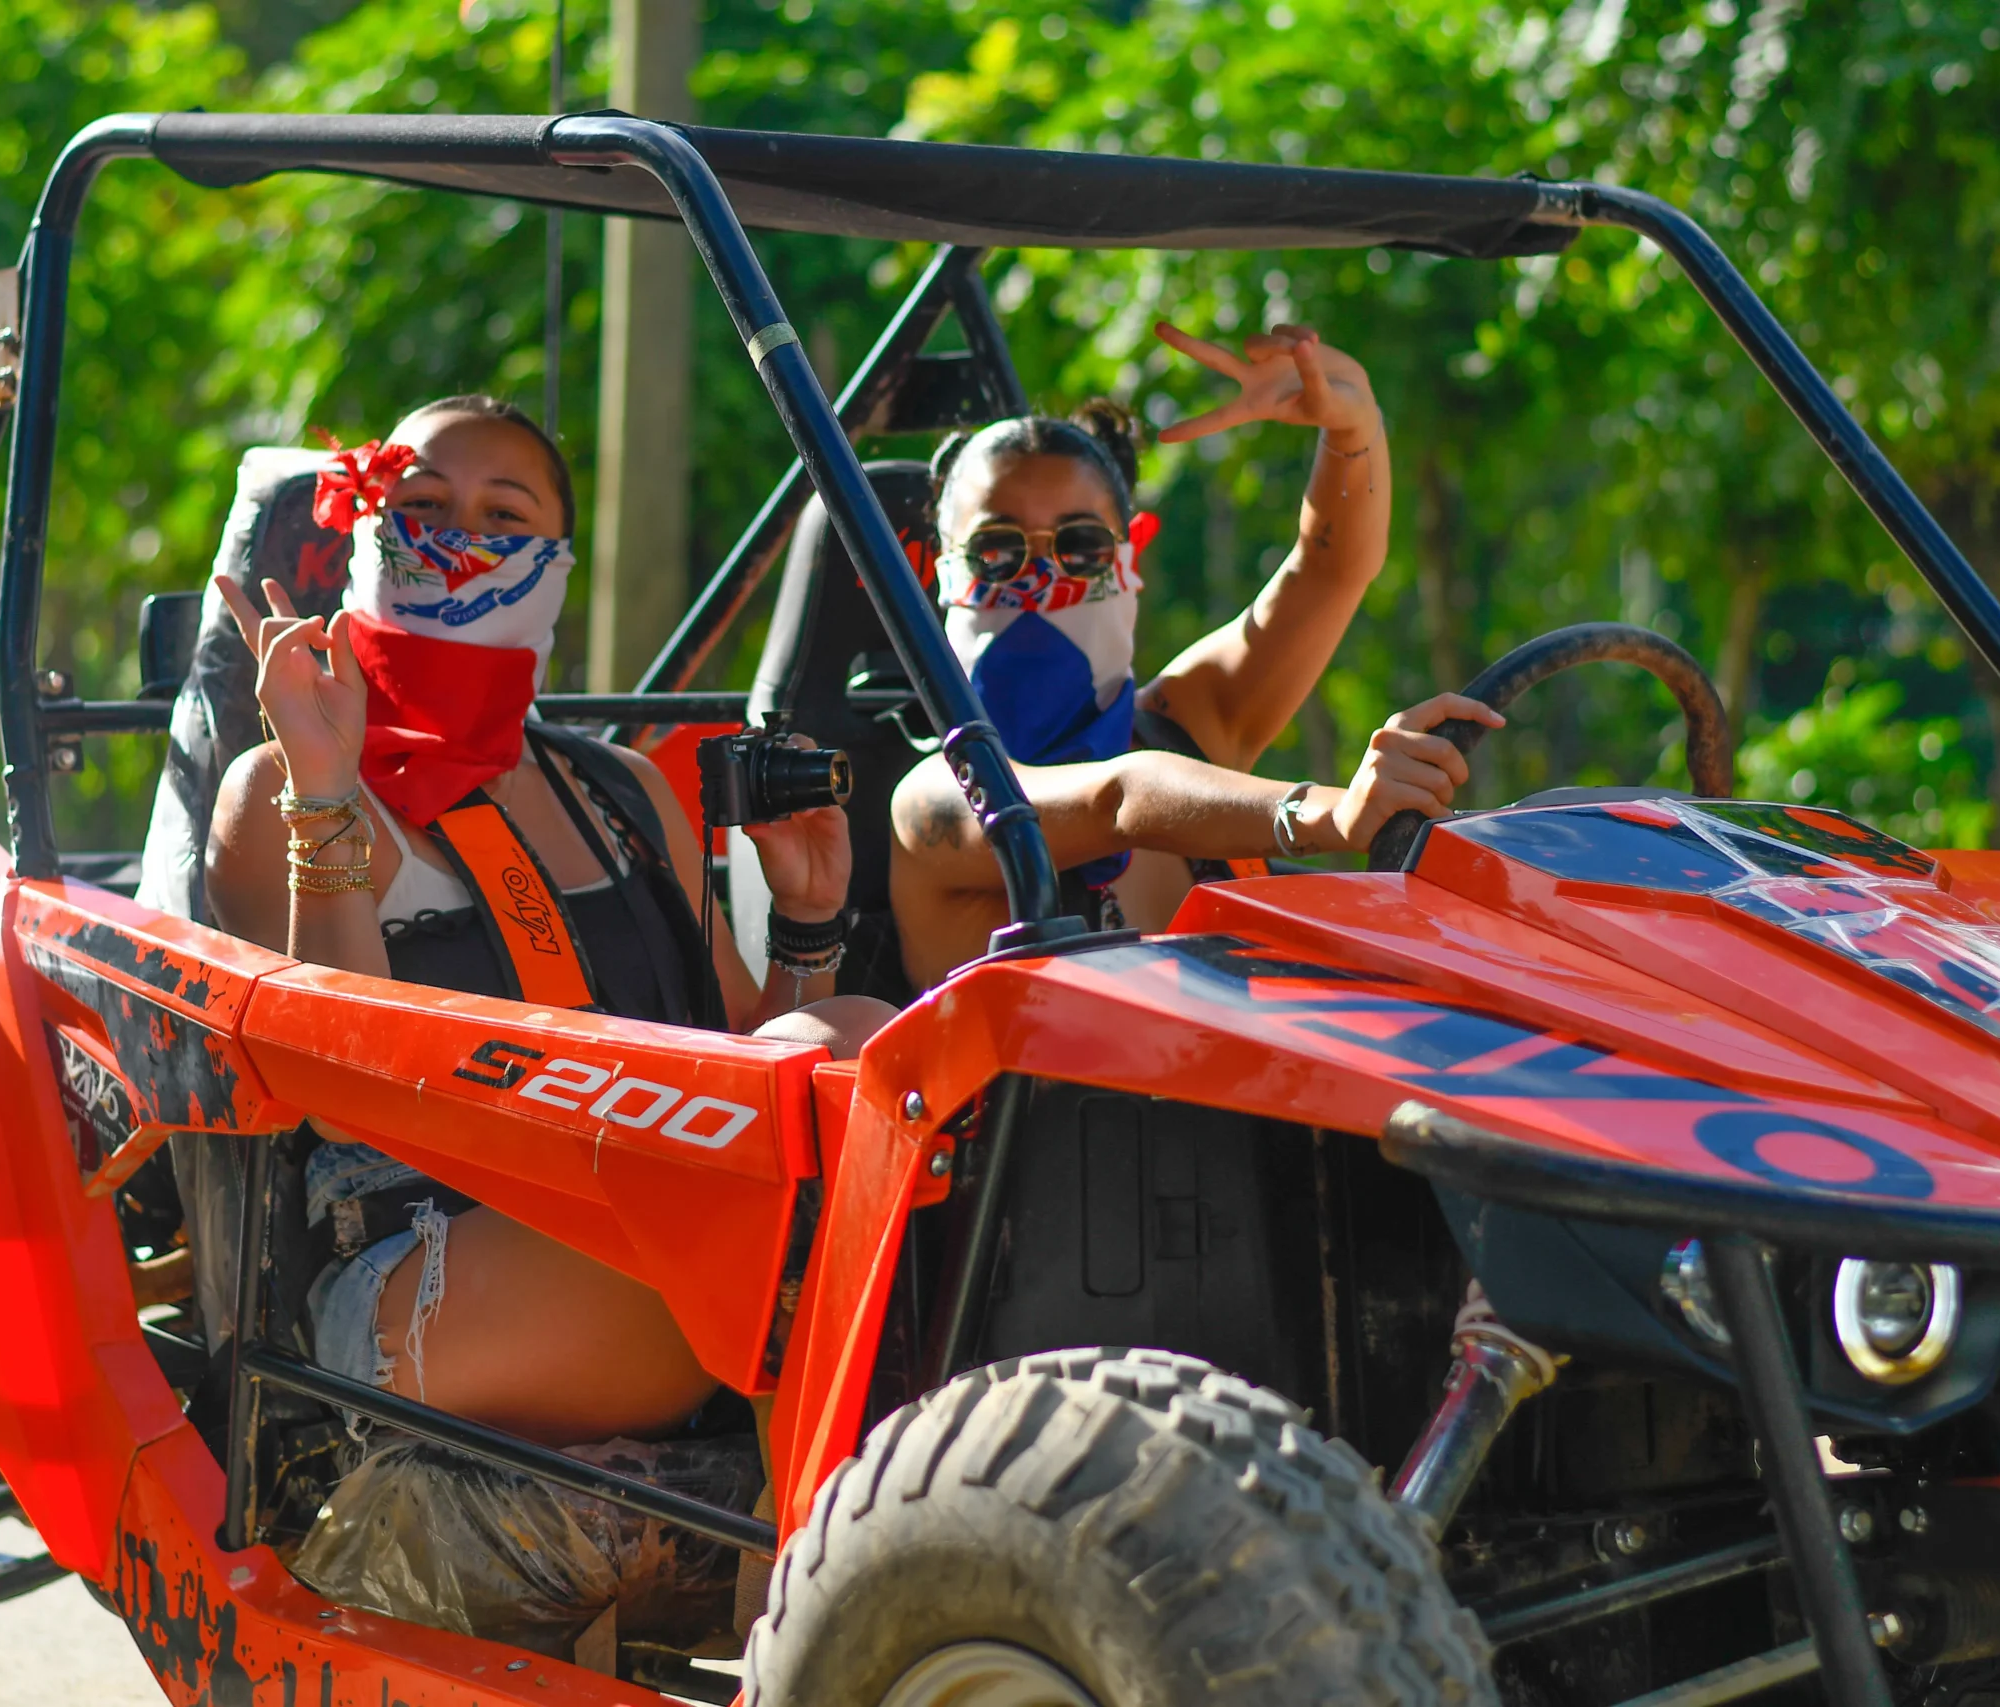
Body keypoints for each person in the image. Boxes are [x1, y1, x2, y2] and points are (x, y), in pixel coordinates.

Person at [205, 395, 887, 1447]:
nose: (461, 540)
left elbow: (756, 1066)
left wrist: (804, 923)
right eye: (424, 505)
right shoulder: (281, 786)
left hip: (661, 1211)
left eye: (502, 517)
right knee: (789, 1260)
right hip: (426, 1247)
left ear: (558, 562)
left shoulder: (617, 788)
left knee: (853, 1040)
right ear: (369, 531)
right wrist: (326, 775)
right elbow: (344, 1102)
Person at [889, 323, 1500, 988]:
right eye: (998, 551)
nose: (1040, 577)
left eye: (1082, 546)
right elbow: (1119, 798)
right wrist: (1331, 812)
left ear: (1130, 555)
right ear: (941, 572)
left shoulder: (1188, 719)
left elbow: (1328, 571)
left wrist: (1353, 428)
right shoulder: (934, 802)